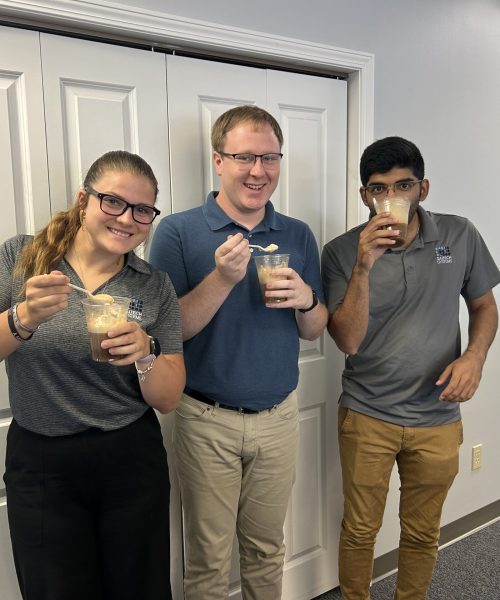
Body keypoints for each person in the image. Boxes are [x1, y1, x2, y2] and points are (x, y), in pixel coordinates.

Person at [149, 105, 328, 599]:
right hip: (207, 419)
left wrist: (306, 300)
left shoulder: (297, 234)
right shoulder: (178, 232)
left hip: (279, 417)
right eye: (244, 156)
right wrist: (223, 279)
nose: (258, 171)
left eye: (269, 157)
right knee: (207, 560)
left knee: (268, 550)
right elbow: (170, 332)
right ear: (218, 160)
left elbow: (315, 330)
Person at [0, 150, 185, 600]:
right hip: (42, 460)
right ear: (84, 200)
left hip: (129, 456)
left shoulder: (152, 283)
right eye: (113, 202)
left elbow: (168, 397)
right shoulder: (22, 258)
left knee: (138, 587)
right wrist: (22, 318)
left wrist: (145, 354)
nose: (127, 219)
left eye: (143, 210)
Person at [321, 136, 500, 600]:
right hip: (367, 413)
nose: (391, 198)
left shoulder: (460, 235)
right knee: (360, 530)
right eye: (379, 189)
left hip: (437, 414)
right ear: (364, 196)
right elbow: (347, 340)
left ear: (423, 188)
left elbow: (484, 307)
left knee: (422, 531)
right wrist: (363, 265)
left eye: (404, 186)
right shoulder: (341, 252)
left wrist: (475, 358)